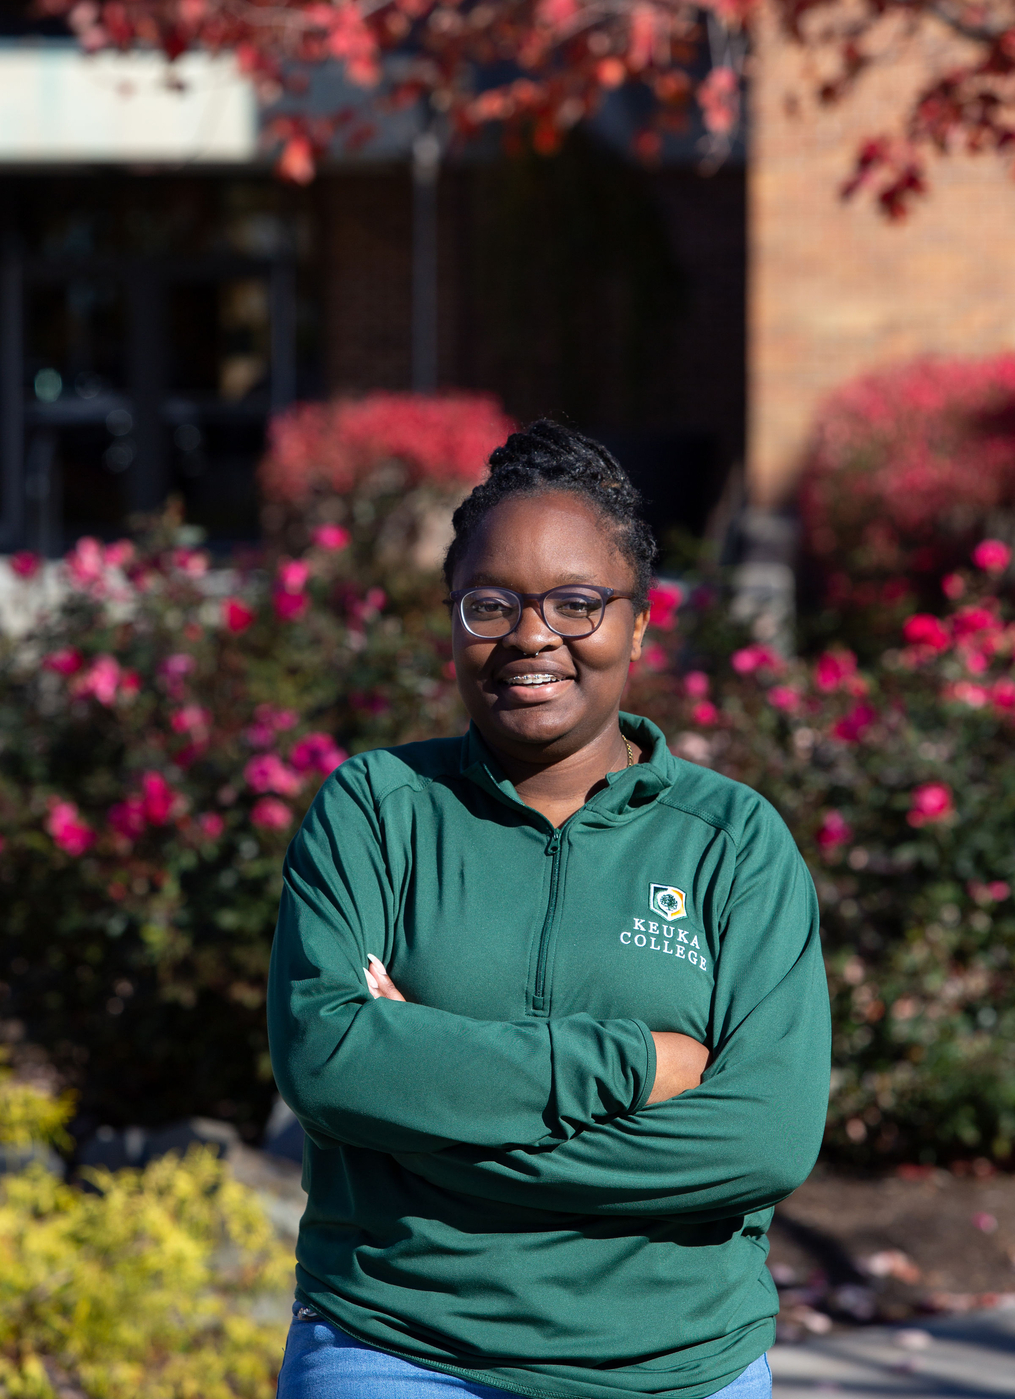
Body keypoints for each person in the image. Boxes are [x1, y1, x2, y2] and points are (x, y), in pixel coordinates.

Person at [268, 420, 831, 1399]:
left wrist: (428, 1123)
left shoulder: (730, 840)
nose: (531, 635)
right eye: (490, 604)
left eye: (577, 602)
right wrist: (634, 1060)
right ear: (451, 618)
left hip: (672, 1365)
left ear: (639, 622)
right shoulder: (377, 810)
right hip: (397, 1342)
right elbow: (329, 1060)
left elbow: (762, 1138)